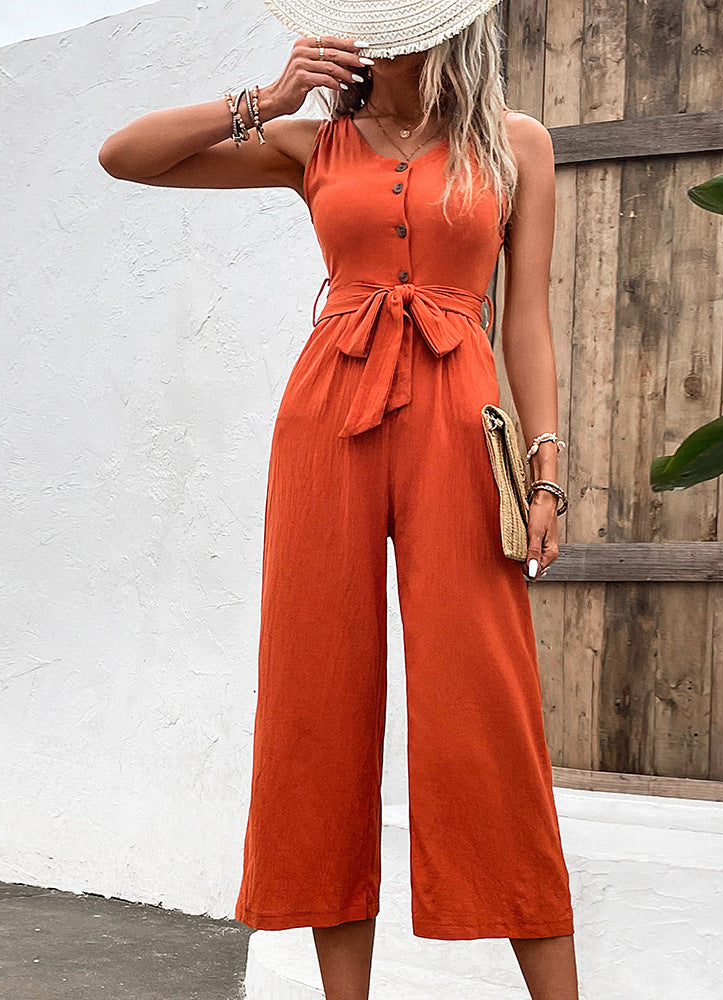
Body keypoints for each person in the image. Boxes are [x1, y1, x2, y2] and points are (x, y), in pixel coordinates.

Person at [98, 1, 578, 996]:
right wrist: (267, 97)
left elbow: (524, 316)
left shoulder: (515, 143)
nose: (390, 35)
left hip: (460, 417)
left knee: (484, 700)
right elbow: (123, 156)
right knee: (316, 695)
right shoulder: (310, 140)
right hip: (328, 415)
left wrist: (546, 468)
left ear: (449, 28)